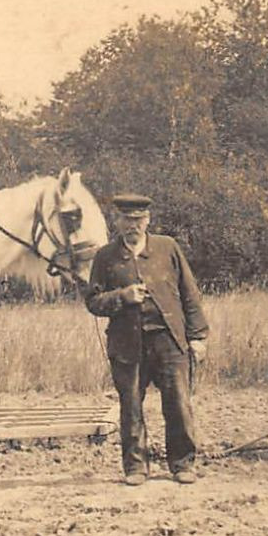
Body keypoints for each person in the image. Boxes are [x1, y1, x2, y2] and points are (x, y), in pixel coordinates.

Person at [85, 194, 209, 485]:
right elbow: (92, 301)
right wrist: (121, 296)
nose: (133, 226)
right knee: (131, 406)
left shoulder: (168, 248)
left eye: (138, 220)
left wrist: (198, 337)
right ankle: (136, 467)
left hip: (169, 341)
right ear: (116, 221)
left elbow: (190, 294)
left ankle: (182, 464)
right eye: (127, 220)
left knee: (178, 403)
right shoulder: (105, 257)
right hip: (127, 345)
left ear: (148, 220)